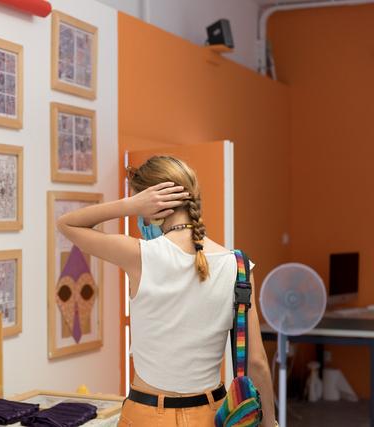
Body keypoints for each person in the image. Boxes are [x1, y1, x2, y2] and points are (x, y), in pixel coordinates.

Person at [57, 155, 276, 426]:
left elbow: (66, 223)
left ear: (152, 201)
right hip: (210, 415)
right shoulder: (238, 266)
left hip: (147, 415)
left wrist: (129, 205)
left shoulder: (140, 255)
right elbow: (257, 362)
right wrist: (271, 424)